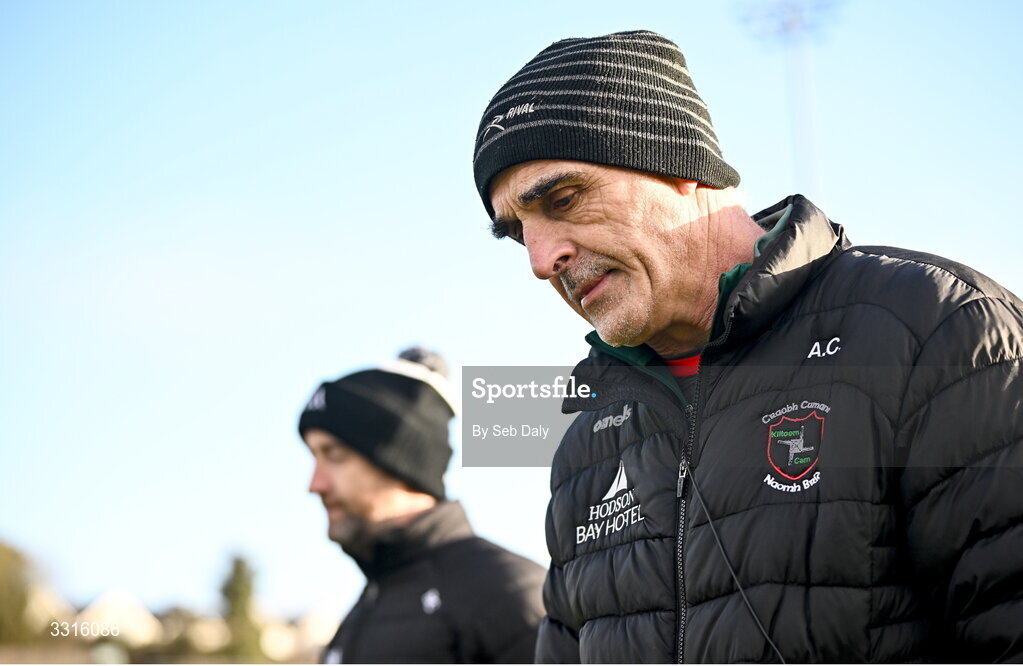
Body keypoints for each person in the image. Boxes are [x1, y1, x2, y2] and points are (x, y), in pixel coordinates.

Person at [472, 30, 1023, 663]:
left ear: (676, 160)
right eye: (519, 233)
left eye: (564, 199)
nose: (543, 261)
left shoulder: (936, 329)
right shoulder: (587, 442)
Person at [298, 347, 546, 663]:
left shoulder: (509, 593)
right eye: (314, 457)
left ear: (397, 460)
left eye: (333, 455)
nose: (314, 484)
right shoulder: (358, 616)